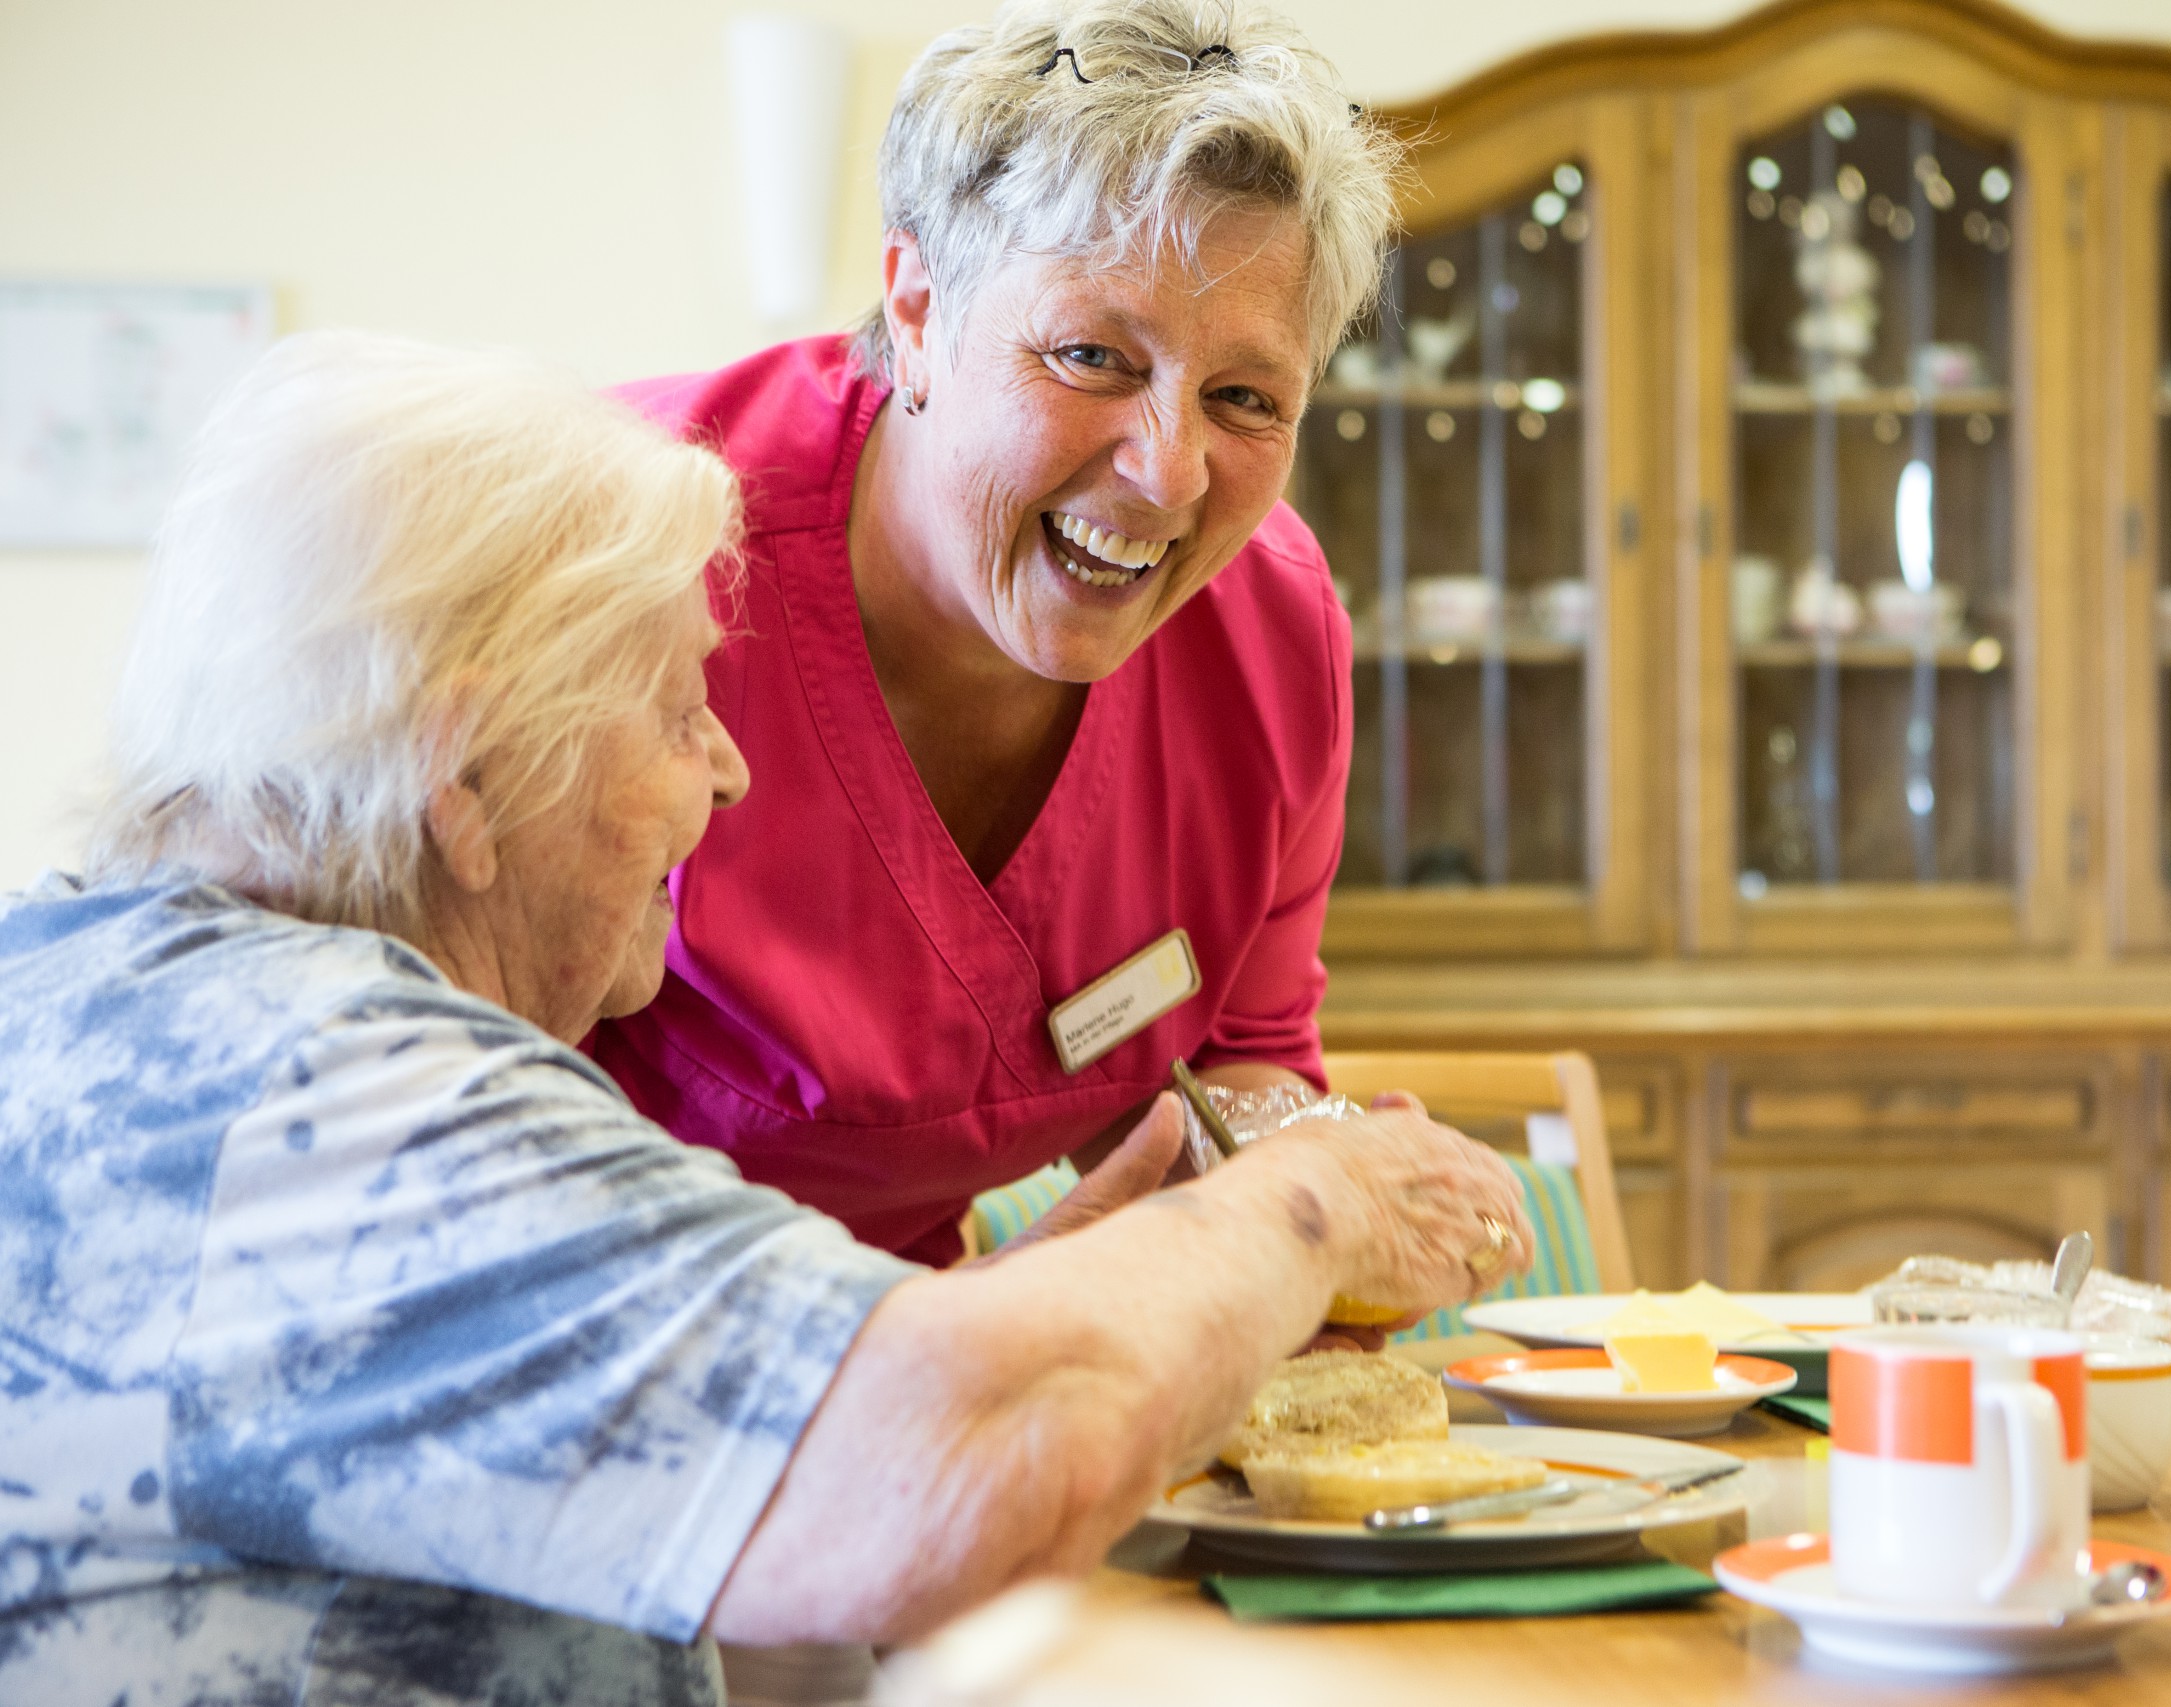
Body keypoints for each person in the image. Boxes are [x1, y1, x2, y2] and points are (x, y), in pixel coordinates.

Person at [0, 332, 1530, 1703]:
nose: (726, 771)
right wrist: (1311, 1200)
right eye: (676, 709)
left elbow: (693, 1549)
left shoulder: (131, 1005)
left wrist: (958, 1342)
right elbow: (945, 1481)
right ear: (466, 774)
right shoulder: (326, 1097)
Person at [590, 0, 1405, 1264]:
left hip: (944, 1364)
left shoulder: (1271, 631)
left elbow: (1236, 1064)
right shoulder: (610, 549)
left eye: (1245, 397)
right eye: (1092, 356)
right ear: (916, 309)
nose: (1169, 473)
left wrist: (1318, 1183)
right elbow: (429, 1106)